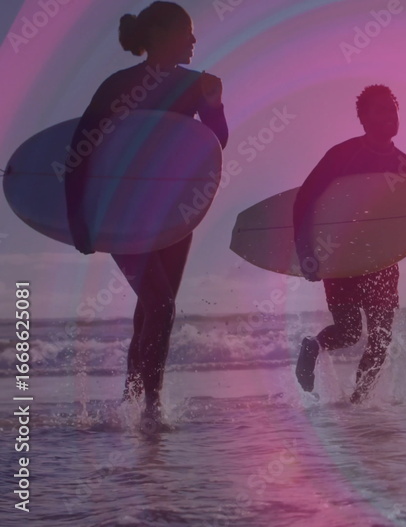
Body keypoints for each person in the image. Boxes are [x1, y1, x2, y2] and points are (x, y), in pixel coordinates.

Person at [65, 1, 228, 423]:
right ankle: (152, 409)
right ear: (158, 35)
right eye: (186, 31)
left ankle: (132, 401)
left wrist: (216, 104)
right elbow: (80, 153)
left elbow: (215, 145)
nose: (194, 40)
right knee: (159, 307)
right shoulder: (118, 86)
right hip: (122, 213)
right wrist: (78, 221)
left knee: (153, 309)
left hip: (174, 213)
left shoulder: (200, 83)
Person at [293, 85, 406, 404]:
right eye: (381, 110)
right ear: (363, 118)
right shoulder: (342, 155)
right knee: (347, 332)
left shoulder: (402, 162)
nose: (390, 116)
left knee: (380, 338)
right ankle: (313, 348)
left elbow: (400, 213)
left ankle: (358, 402)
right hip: (343, 256)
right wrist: (306, 251)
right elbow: (305, 199)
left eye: (393, 108)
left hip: (383, 262)